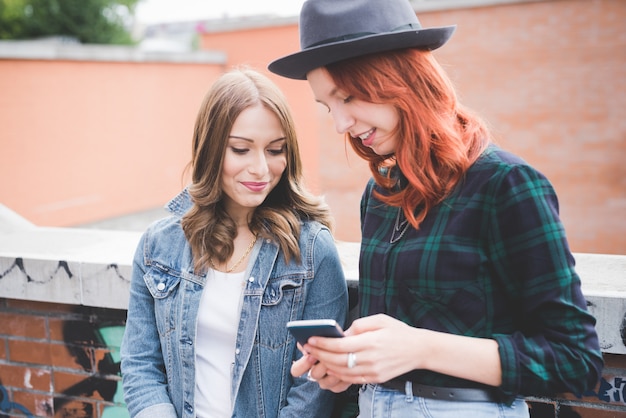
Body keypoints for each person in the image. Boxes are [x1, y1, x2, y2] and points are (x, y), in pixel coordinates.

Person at [268, 0, 604, 416]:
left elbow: (576, 362)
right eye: (327, 106)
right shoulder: (378, 196)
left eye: (348, 97)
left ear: (400, 79)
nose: (340, 124)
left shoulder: (506, 185)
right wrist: (354, 364)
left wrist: (421, 348)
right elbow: (395, 348)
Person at [120, 68, 349, 418]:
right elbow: (140, 365)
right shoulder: (159, 246)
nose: (260, 168)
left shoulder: (311, 251)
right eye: (241, 150)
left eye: (275, 150)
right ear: (210, 149)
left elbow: (313, 392)